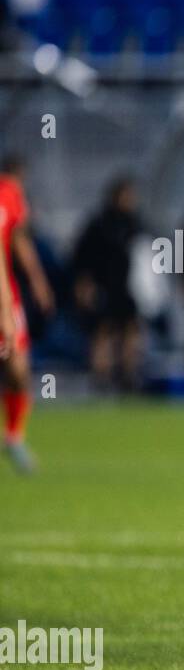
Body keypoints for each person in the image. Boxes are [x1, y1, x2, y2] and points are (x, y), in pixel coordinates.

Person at [0, 155, 56, 473]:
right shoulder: (8, 193)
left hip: (8, 296)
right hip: (5, 299)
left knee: (18, 367)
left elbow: (18, 242)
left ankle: (14, 436)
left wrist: (37, 282)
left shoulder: (11, 198)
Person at [71, 176, 144, 390]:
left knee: (131, 330)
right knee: (103, 332)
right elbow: (82, 258)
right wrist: (84, 286)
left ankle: (128, 376)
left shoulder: (134, 223)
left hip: (128, 288)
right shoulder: (99, 224)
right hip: (104, 287)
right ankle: (101, 378)